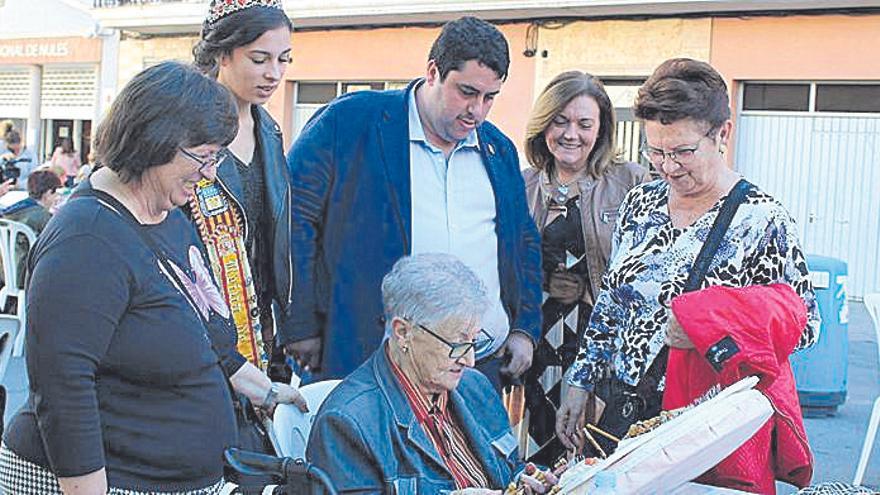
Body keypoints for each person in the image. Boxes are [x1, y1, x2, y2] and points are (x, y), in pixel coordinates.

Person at [0, 61, 303, 495]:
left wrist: (266, 391)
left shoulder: (166, 212)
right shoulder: (86, 238)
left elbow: (206, 334)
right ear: (154, 142)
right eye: (203, 157)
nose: (211, 173)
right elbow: (63, 392)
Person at [556, 58, 820, 453]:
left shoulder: (762, 219)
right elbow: (611, 303)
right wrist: (581, 381)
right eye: (656, 152)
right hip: (627, 410)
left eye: (683, 151)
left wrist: (711, 328)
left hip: (707, 428)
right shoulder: (640, 203)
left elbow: (804, 325)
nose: (668, 167)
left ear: (722, 134)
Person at [286, 16, 541, 388]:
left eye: (490, 98)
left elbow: (524, 241)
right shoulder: (352, 121)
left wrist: (524, 327)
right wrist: (300, 323)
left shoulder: (498, 148)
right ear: (433, 71)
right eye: (467, 92)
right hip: (372, 364)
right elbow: (294, 220)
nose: (478, 110)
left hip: (475, 367)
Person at [308, 254, 559, 493]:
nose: (470, 360)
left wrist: (526, 480)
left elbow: (508, 469)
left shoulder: (473, 386)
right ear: (403, 332)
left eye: (474, 341)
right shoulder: (347, 422)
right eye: (456, 345)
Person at [520, 71, 648, 465]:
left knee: (594, 455)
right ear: (543, 125)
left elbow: (648, 269)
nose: (570, 133)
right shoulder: (521, 185)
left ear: (601, 129)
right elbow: (505, 263)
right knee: (538, 450)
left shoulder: (632, 183)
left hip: (600, 345)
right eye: (560, 121)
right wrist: (544, 283)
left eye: (584, 123)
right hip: (537, 344)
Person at [192, 0, 295, 381]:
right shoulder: (186, 132)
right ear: (222, 54)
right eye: (259, 59)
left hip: (262, 323)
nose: (274, 73)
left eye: (284, 60)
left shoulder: (270, 131)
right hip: (201, 322)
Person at [1, 169, 62, 287]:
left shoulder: (14, 212)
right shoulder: (42, 217)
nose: (57, 198)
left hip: (6, 273)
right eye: (55, 194)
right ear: (48, 193)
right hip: (26, 275)